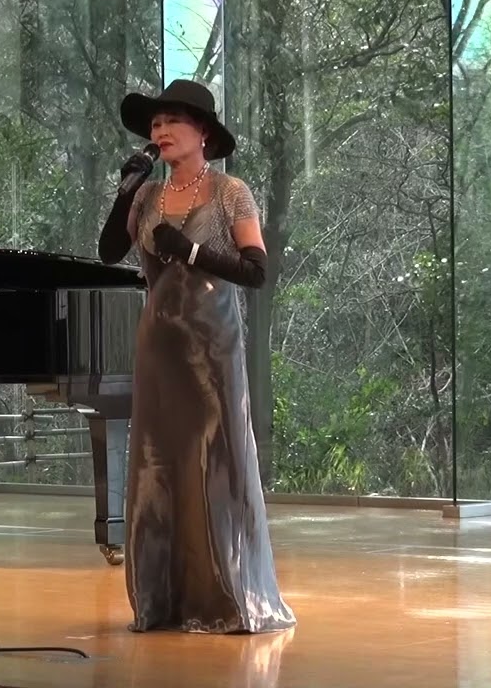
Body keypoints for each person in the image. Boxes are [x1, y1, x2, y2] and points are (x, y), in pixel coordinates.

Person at [97, 79, 297, 634]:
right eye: (155, 124)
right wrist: (125, 190)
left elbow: (256, 272)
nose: (160, 131)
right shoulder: (146, 196)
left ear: (202, 132)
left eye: (172, 122)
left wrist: (190, 250)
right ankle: (161, 599)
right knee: (159, 465)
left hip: (212, 348)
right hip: (159, 346)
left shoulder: (231, 191)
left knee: (214, 462)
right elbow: (109, 251)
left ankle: (227, 597)